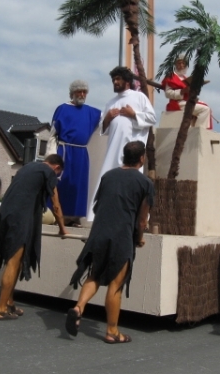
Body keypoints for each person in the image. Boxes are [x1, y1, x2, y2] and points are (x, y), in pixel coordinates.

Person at [66, 141, 153, 343]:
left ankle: (78, 308)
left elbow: (97, 207)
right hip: (121, 235)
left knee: (95, 274)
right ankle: (112, 331)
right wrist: (139, 239)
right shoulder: (145, 183)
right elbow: (142, 219)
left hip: (99, 232)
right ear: (141, 158)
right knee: (116, 284)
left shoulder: (108, 176)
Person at [0, 154, 68, 321]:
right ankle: (1, 309)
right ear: (57, 168)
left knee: (16, 262)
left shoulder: (27, 167)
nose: (56, 177)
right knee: (13, 263)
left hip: (5, 215)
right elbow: (56, 205)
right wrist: (63, 229)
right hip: (19, 219)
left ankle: (9, 302)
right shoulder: (48, 172)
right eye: (58, 174)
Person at [88, 67, 156, 220]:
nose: (115, 82)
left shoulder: (139, 97)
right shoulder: (111, 102)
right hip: (113, 150)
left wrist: (134, 114)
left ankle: (134, 218)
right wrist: (107, 119)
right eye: (113, 80)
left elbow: (152, 118)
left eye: (118, 79)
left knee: (132, 186)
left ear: (127, 81)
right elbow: (102, 129)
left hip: (132, 151)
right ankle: (101, 216)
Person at [46, 80, 101, 224]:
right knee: (63, 183)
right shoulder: (63, 109)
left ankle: (74, 217)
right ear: (72, 93)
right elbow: (53, 134)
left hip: (81, 153)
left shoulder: (91, 112)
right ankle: (57, 216)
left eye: (84, 92)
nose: (82, 94)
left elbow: (105, 119)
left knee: (79, 185)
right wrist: (51, 156)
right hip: (64, 152)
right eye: (79, 91)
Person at [161, 56, 212, 129]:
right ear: (175, 65)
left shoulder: (185, 78)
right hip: (178, 103)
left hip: (187, 102)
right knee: (205, 109)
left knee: (205, 106)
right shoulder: (171, 77)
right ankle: (199, 131)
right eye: (179, 63)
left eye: (183, 63)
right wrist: (182, 91)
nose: (181, 65)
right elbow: (168, 93)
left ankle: (197, 129)